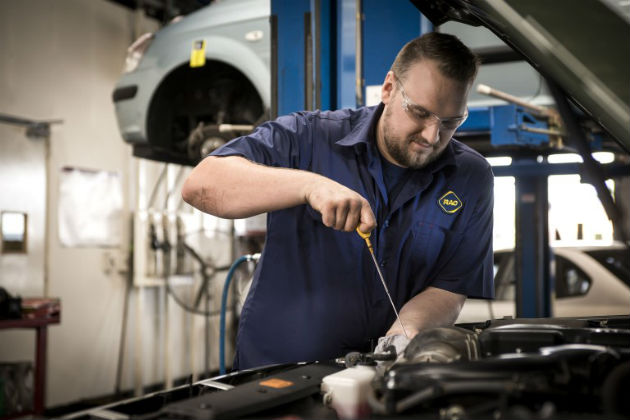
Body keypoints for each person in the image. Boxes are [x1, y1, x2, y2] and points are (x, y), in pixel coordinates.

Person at [182, 32, 494, 370]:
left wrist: (405, 334)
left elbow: (450, 286)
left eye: (450, 122)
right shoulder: (307, 138)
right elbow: (200, 185)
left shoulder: (470, 178)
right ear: (389, 88)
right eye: (419, 112)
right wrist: (308, 186)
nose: (432, 136)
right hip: (275, 378)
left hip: (384, 381)